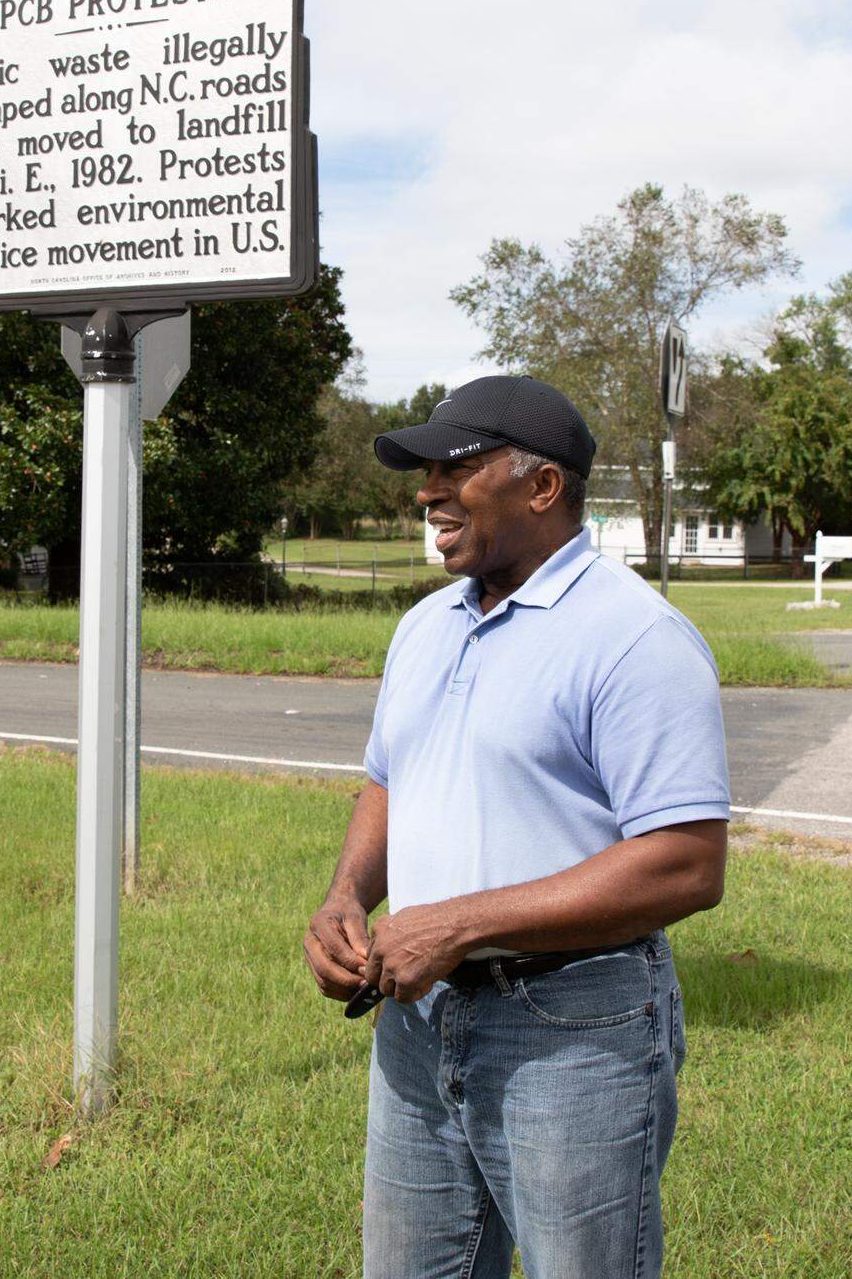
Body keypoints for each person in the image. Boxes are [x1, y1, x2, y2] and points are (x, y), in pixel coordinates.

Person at [303, 374, 729, 1279]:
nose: (428, 490)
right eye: (425, 470)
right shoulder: (424, 626)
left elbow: (686, 865)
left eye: (456, 465)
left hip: (572, 1027)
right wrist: (346, 896)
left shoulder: (634, 638)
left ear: (542, 487)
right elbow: (389, 780)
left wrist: (457, 924)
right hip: (415, 1024)